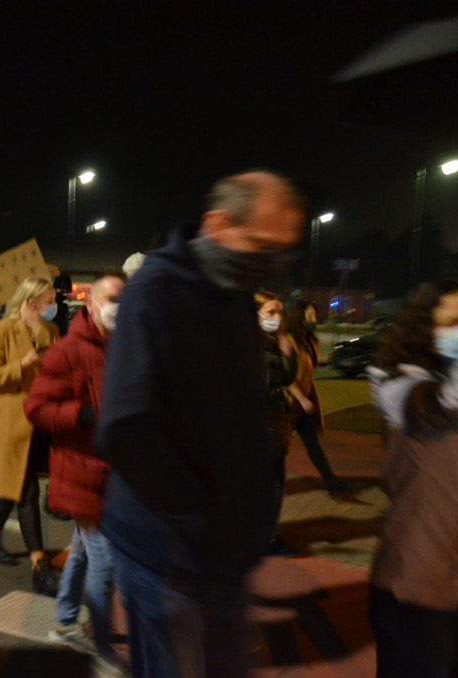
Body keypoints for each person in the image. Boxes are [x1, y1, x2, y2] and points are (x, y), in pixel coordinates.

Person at [96, 170, 304, 677]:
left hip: (221, 556)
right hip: (167, 555)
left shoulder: (233, 292)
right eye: (260, 245)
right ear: (217, 225)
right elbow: (125, 429)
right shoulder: (156, 292)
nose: (270, 263)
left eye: (282, 251)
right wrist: (197, 519)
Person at [25, 270, 125, 666]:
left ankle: (65, 620)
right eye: (112, 299)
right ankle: (99, 642)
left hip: (111, 471)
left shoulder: (120, 346)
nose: (119, 307)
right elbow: (35, 408)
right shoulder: (68, 350)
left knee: (82, 551)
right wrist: (80, 414)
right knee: (107, 563)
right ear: (91, 303)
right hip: (82, 471)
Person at [367, 279, 458, 677]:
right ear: (423, 326)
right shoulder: (398, 386)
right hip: (416, 589)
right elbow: (446, 403)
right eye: (454, 320)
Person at [0, 276, 60, 595]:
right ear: (31, 303)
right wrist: (22, 364)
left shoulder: (50, 332)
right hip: (10, 423)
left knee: (13, 483)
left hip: (40, 422)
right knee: (26, 490)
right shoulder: (3, 329)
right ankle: (39, 565)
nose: (54, 305)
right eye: (49, 299)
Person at [283, 300, 354, 497]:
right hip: (288, 403)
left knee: (313, 444)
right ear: (300, 316)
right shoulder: (287, 341)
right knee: (275, 449)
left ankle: (333, 484)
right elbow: (284, 377)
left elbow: (310, 367)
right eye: (311, 315)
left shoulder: (309, 340)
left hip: (304, 403)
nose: (315, 319)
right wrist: (301, 399)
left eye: (315, 315)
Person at [255, 290, 301, 558]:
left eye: (279, 312)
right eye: (271, 312)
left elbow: (284, 380)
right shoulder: (249, 344)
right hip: (256, 426)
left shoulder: (276, 342)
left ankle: (268, 535)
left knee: (274, 482)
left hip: (274, 423)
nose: (276, 317)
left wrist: (288, 355)